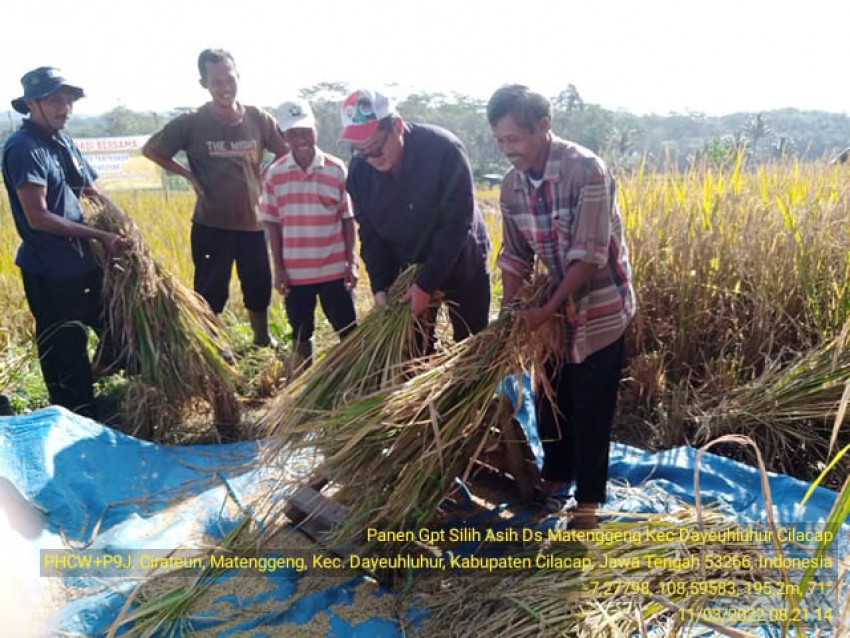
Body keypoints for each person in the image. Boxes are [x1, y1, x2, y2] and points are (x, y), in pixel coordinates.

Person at [486, 85, 636, 529]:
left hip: (599, 308)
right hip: (548, 312)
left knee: (591, 404)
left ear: (544, 128)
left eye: (514, 138)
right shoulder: (512, 187)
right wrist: (513, 313)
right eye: (500, 141)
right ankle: (556, 474)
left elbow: (588, 256)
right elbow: (514, 255)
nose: (507, 149)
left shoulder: (586, 170)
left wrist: (548, 308)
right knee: (549, 396)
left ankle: (589, 499)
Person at [2, 67, 130, 418]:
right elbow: (38, 217)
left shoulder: (62, 140)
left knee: (118, 328)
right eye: (54, 100)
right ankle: (75, 414)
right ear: (31, 104)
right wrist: (99, 235)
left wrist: (124, 224)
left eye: (68, 100)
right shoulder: (24, 148)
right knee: (64, 348)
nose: (64, 107)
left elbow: (89, 190)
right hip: (50, 268)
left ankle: (94, 391)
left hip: (84, 263)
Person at [142, 48, 289, 347]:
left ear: (238, 78)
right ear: (204, 84)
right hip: (212, 223)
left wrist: (266, 172)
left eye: (230, 79)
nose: (225, 87)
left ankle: (262, 340)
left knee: (259, 285)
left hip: (254, 222)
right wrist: (187, 174)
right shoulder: (191, 122)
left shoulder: (257, 118)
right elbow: (152, 149)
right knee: (211, 290)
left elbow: (284, 150)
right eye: (217, 81)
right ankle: (214, 345)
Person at [341, 89, 491, 350]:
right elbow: (371, 233)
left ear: (397, 125)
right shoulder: (359, 173)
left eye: (376, 147)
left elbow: (457, 224)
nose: (372, 158)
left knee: (471, 342)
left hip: (461, 260)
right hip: (409, 267)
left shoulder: (444, 151)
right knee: (414, 348)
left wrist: (427, 284)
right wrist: (381, 285)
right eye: (362, 152)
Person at [260, 99, 358, 368]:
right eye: (292, 133)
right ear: (282, 136)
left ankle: (354, 381)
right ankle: (305, 388)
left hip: (335, 271)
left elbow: (348, 219)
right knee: (302, 333)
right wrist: (278, 269)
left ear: (316, 127)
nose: (300, 138)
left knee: (348, 330)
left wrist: (352, 261)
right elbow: (272, 225)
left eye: (305, 130)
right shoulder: (275, 174)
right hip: (295, 274)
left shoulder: (336, 169)